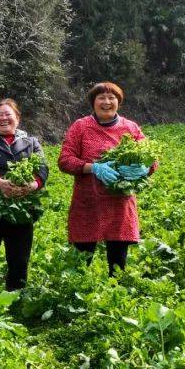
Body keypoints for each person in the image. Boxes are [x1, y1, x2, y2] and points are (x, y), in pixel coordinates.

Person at [57, 82, 158, 275]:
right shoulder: (80, 127)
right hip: (88, 204)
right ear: (93, 102)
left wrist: (144, 168)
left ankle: (115, 298)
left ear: (118, 102)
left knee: (118, 265)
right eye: (101, 97)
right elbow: (65, 160)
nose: (107, 102)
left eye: (112, 98)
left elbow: (151, 160)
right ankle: (78, 298)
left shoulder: (130, 128)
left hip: (119, 205)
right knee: (81, 263)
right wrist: (92, 167)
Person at [0, 99, 48, 290]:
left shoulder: (31, 142)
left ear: (17, 119)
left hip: (21, 209)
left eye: (8, 114)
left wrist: (31, 185)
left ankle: (16, 299)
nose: (4, 118)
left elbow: (43, 169)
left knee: (19, 259)